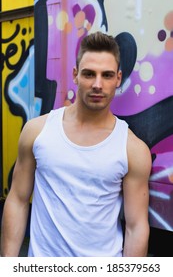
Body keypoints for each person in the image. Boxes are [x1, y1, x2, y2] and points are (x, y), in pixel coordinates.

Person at [1, 31, 152, 257]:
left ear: (118, 78)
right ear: (75, 75)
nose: (98, 84)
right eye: (89, 74)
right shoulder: (37, 131)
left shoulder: (132, 149)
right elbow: (18, 200)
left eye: (107, 75)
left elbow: (136, 227)